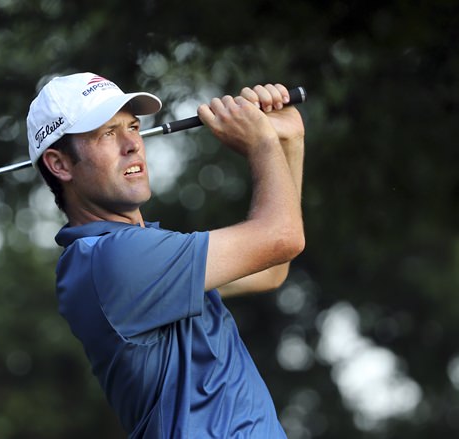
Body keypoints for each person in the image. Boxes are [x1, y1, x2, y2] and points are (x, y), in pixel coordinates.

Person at [26, 72, 305, 438]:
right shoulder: (112, 260)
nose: (132, 145)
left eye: (133, 126)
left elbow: (272, 268)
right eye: (107, 133)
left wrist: (289, 140)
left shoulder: (143, 251)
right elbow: (282, 238)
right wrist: (262, 144)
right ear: (60, 164)